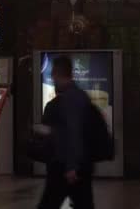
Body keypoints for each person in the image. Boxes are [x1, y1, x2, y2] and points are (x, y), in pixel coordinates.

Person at [37, 56, 94, 209]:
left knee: (48, 203)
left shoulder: (69, 98)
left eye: (53, 75)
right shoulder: (80, 96)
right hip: (80, 164)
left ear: (57, 74)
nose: (52, 79)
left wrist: (71, 166)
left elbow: (73, 131)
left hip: (65, 166)